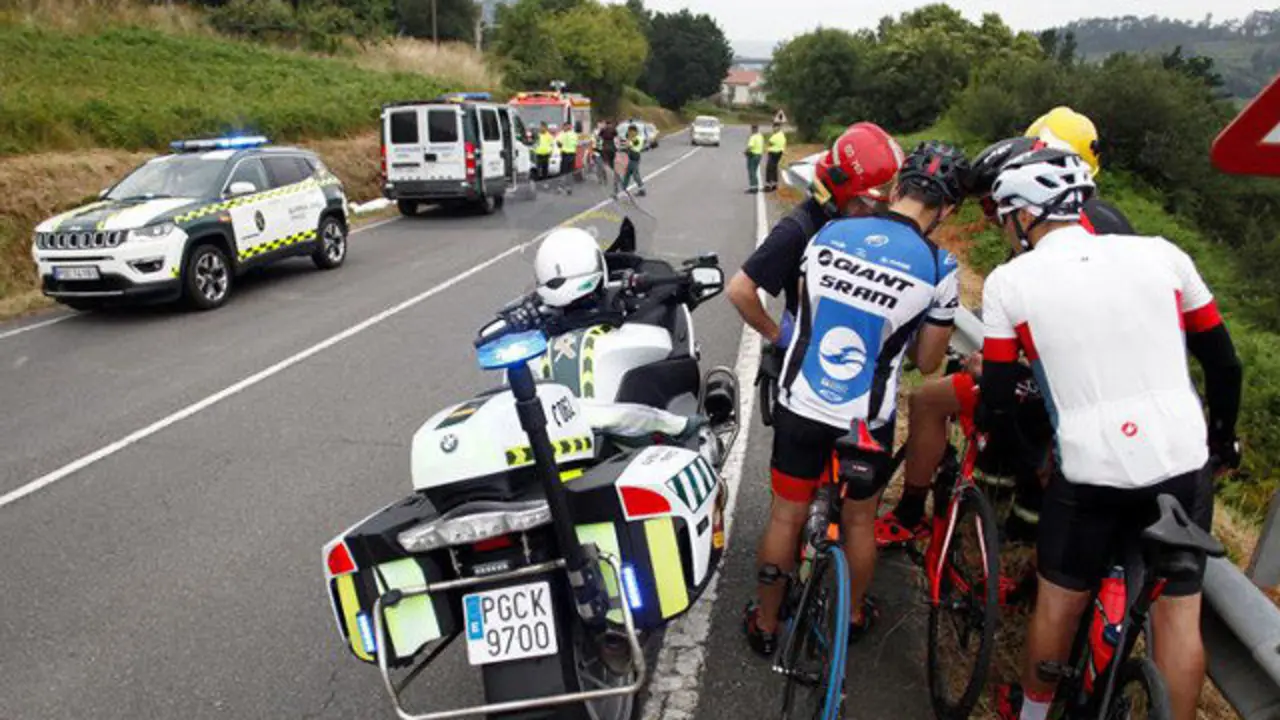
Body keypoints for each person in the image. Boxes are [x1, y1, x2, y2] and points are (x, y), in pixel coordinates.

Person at [977, 148, 1242, 720]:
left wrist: (1034, 463)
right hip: (1181, 456)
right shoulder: (1162, 254)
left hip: (1090, 468)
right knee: (1177, 615)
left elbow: (998, 402)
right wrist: (1221, 442)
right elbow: (1224, 364)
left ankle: (1033, 713)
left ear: (1024, 216)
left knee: (1059, 605)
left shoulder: (1008, 283)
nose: (1003, 231)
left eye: (1003, 218)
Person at [733, 140, 969, 657]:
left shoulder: (831, 231)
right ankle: (855, 615)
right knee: (860, 520)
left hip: (803, 401)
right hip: (867, 418)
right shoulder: (941, 266)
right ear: (947, 209)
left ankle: (766, 623)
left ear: (897, 187)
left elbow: (805, 303)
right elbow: (928, 362)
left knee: (785, 517)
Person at [877, 121, 1137, 550]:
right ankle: (1016, 530)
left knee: (927, 401)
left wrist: (1002, 363)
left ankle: (911, 514)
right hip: (1104, 383)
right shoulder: (1096, 218)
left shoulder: (1044, 235)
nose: (994, 218)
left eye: (996, 206)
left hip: (1063, 382)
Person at [619, 125, 646, 196]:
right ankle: (623, 189)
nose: (629, 133)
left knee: (635, 175)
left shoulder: (638, 138)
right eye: (629, 132)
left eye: (630, 131)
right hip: (630, 158)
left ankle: (642, 190)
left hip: (635, 158)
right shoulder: (633, 138)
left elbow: (630, 145)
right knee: (627, 174)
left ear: (635, 131)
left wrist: (626, 141)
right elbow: (627, 146)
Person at [764, 122, 787, 192]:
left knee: (769, 168)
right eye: (773, 127)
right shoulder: (781, 135)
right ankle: (775, 185)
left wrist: (770, 146)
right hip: (778, 153)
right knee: (774, 168)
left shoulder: (777, 135)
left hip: (774, 153)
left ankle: (768, 185)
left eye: (775, 127)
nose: (774, 128)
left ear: (778, 127)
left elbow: (769, 142)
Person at [745, 124, 765, 193]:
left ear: (753, 129)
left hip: (753, 156)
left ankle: (753, 188)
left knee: (751, 171)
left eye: (752, 129)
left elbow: (750, 146)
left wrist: (745, 151)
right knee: (755, 171)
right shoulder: (760, 136)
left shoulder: (753, 137)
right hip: (759, 155)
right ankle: (756, 186)